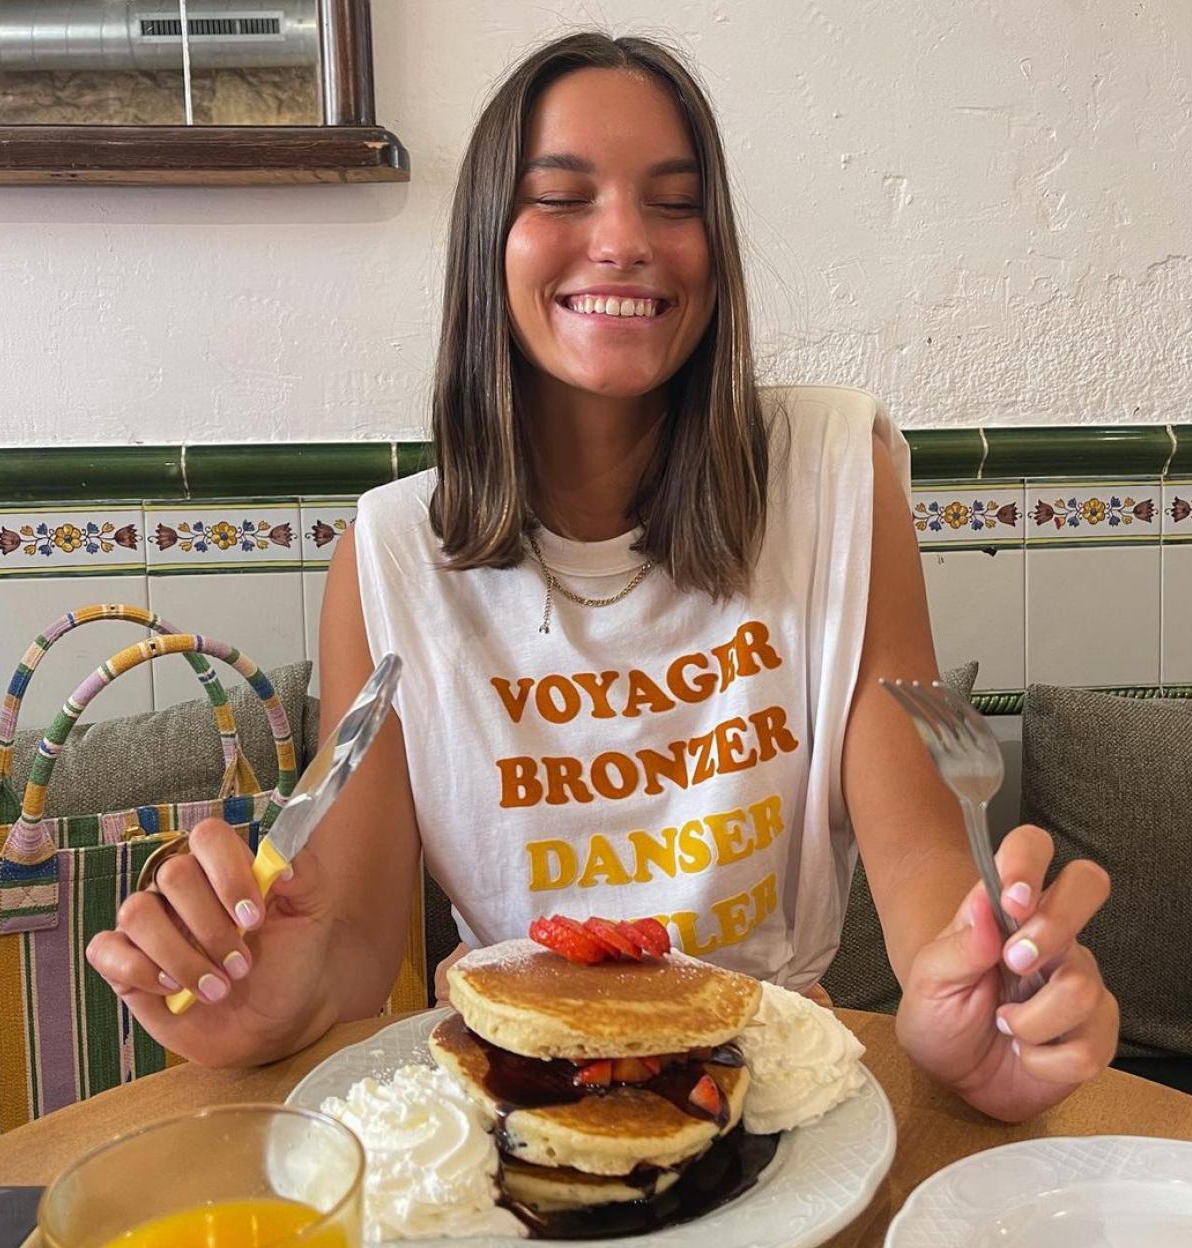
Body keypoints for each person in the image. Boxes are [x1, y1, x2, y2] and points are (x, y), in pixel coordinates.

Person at [87, 32, 1117, 1123]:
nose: (626, 240)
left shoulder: (834, 480)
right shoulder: (390, 556)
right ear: (490, 240)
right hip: (514, 1101)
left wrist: (979, 993)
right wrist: (266, 1000)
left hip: (772, 1096)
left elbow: (918, 847)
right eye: (563, 196)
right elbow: (345, 939)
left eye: (675, 205)